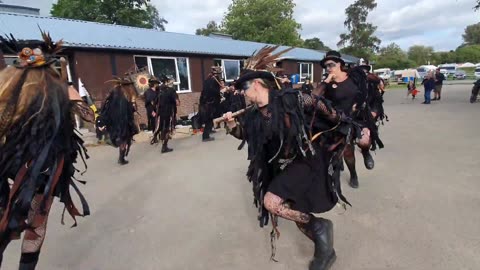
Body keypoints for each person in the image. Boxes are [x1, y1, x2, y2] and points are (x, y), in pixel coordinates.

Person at [223, 46, 344, 270]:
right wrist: (231, 125)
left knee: (272, 202)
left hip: (305, 161)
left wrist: (341, 124)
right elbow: (246, 135)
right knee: (291, 208)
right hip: (282, 167)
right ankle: (326, 250)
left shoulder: (290, 100)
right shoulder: (252, 114)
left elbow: (321, 106)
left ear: (257, 84)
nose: (241, 93)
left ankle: (320, 227)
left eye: (244, 88)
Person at [0, 31, 91, 269]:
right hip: (42, 175)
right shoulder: (59, 89)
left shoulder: (5, 87)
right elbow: (89, 117)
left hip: (8, 172)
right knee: (35, 225)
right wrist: (72, 93)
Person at [320, 52, 377, 189]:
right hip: (341, 120)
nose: (328, 68)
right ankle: (353, 174)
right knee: (347, 151)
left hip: (358, 117)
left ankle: (365, 152)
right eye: (326, 66)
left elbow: (367, 89)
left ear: (340, 64)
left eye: (331, 65)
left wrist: (362, 105)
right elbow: (318, 98)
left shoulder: (354, 76)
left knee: (364, 141)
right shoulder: (328, 84)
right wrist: (326, 82)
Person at [98, 77, 139, 165]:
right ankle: (121, 159)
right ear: (125, 86)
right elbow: (125, 111)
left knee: (123, 139)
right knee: (124, 140)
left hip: (116, 123)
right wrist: (132, 105)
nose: (130, 87)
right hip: (122, 123)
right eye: (128, 85)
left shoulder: (115, 94)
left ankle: (121, 157)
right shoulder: (122, 97)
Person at [151, 75, 179, 153]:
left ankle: (155, 136)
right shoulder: (171, 90)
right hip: (169, 113)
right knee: (167, 129)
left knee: (160, 127)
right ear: (167, 82)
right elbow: (177, 103)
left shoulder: (158, 90)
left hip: (160, 113)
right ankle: (164, 147)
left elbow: (154, 102)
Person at [199, 66, 223, 142]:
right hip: (210, 103)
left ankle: (209, 131)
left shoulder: (208, 79)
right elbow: (214, 91)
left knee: (209, 118)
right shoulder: (215, 80)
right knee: (209, 119)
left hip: (205, 102)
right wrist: (221, 94)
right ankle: (205, 136)